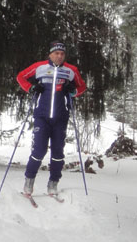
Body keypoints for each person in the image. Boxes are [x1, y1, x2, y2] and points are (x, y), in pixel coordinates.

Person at [16, 41, 86, 197]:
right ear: (50, 54)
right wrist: (32, 87)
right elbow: (20, 77)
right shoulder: (39, 67)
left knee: (58, 153)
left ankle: (53, 183)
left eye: (62, 53)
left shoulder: (71, 70)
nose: (59, 56)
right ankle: (29, 181)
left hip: (61, 117)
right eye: (56, 53)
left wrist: (73, 91)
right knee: (38, 151)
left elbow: (82, 87)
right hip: (42, 116)